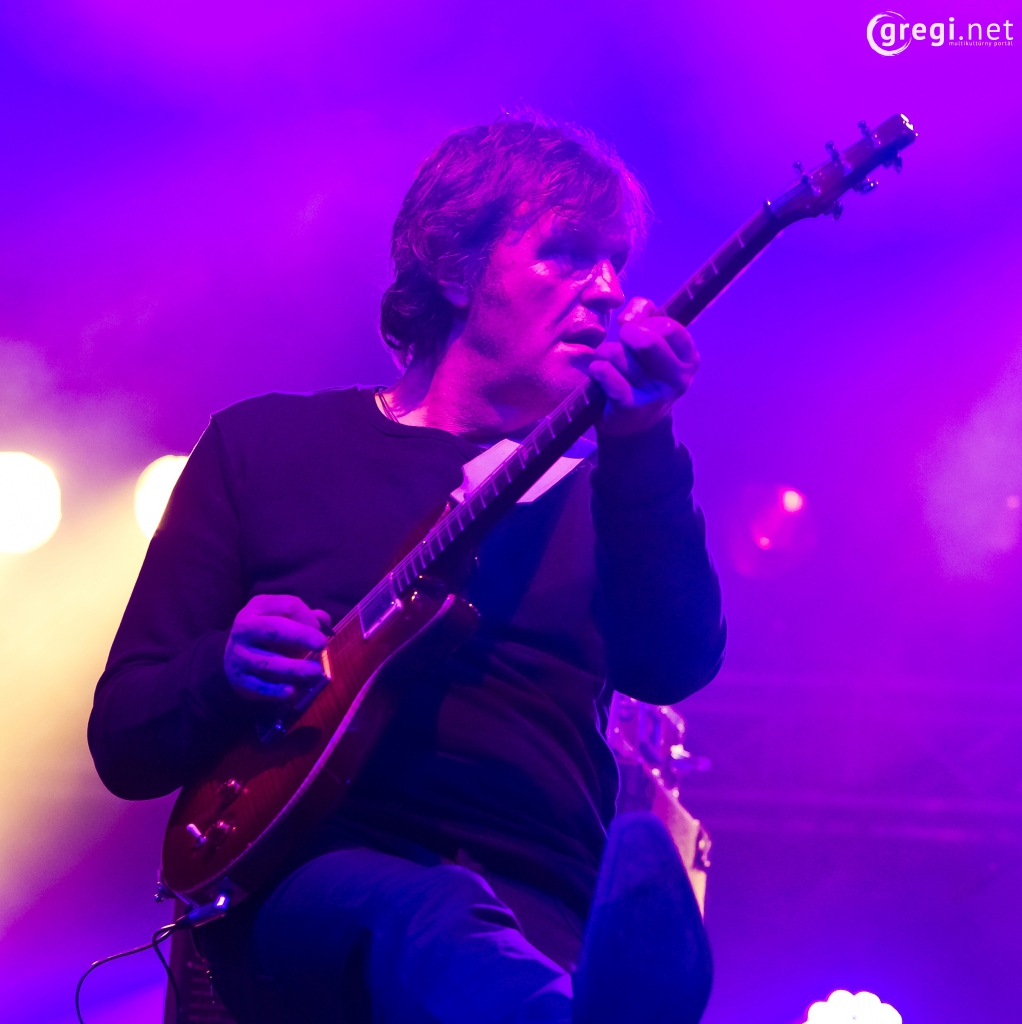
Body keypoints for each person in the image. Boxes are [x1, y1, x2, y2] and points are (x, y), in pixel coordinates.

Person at [88, 114, 726, 1024]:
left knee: (475, 937)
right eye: (567, 253)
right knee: (426, 911)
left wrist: (644, 438)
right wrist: (222, 669)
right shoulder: (263, 447)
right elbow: (124, 737)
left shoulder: (612, 490)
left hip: (539, 914)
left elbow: (672, 664)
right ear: (455, 265)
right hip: (298, 895)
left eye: (616, 263)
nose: (609, 291)